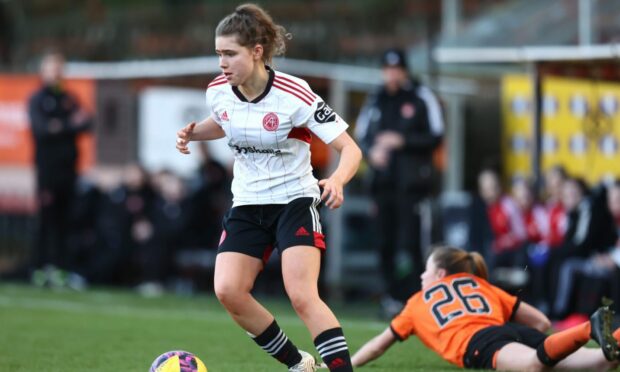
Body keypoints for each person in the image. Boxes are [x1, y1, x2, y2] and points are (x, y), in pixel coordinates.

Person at [175, 4, 361, 372]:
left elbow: (350, 148)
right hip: (247, 203)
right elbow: (225, 121)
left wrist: (337, 179)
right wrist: (194, 134)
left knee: (302, 295)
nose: (222, 63)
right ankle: (299, 364)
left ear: (257, 52)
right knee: (228, 290)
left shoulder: (295, 93)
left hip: (295, 200)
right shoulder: (218, 91)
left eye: (230, 54)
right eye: (218, 54)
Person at [349, 245, 620, 370]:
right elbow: (541, 322)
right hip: (510, 331)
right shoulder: (481, 285)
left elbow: (378, 345)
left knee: (532, 366)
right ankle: (611, 333)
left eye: (426, 271)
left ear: (441, 274)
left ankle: (588, 327)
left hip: (479, 342)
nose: (422, 277)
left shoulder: (417, 302)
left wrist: (347, 364)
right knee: (600, 363)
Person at [355, 48, 444, 312]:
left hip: (413, 186)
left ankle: (417, 298)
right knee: (384, 243)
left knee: (412, 243)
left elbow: (436, 135)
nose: (391, 74)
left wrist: (402, 141)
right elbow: (362, 134)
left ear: (404, 71)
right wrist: (372, 153)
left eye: (396, 69)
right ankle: (391, 297)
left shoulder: (420, 97)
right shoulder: (376, 99)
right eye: (387, 69)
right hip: (383, 185)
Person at [28, 51, 92, 285]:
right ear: (43, 71)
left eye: (59, 68)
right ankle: (40, 267)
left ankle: (61, 269)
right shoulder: (37, 99)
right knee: (47, 219)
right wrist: (68, 124)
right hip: (48, 172)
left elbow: (87, 122)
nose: (56, 72)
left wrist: (60, 126)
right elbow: (42, 129)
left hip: (69, 171)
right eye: (52, 68)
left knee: (66, 220)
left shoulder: (68, 97)